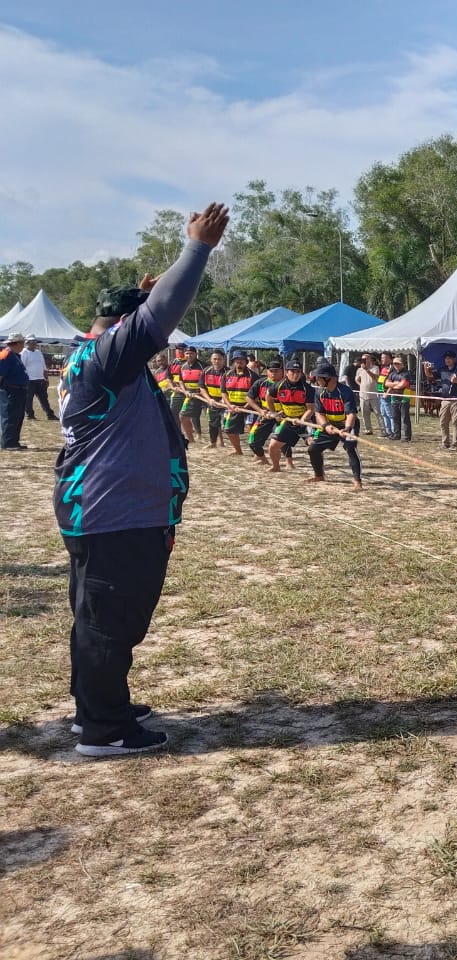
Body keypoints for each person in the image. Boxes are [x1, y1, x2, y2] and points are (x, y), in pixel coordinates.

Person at [55, 201, 228, 756]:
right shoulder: (107, 357)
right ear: (126, 328)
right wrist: (197, 248)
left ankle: (96, 708)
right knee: (110, 621)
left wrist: (138, 295)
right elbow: (159, 314)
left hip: (105, 509)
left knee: (97, 617)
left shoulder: (94, 355)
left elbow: (140, 318)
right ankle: (104, 730)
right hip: (116, 513)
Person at [306, 362, 362, 489]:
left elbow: (351, 414)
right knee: (313, 449)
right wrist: (326, 425)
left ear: (328, 378)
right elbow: (319, 413)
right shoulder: (319, 392)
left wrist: (347, 428)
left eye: (319, 377)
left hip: (348, 425)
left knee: (350, 449)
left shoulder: (345, 391)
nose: (317, 380)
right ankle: (319, 475)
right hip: (329, 425)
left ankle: (357, 481)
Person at [267, 360, 315, 472]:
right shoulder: (279, 386)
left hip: (305, 421)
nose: (295, 374)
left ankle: (319, 473)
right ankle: (275, 466)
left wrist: (302, 420)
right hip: (288, 420)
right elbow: (268, 396)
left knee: (314, 446)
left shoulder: (307, 388)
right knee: (273, 446)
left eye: (298, 372)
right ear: (286, 372)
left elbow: (311, 409)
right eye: (292, 371)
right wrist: (273, 412)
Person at [246, 358, 284, 464]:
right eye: (271, 371)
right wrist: (260, 411)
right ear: (267, 371)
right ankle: (262, 459)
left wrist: (280, 413)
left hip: (283, 416)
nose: (273, 373)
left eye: (276, 371)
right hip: (266, 414)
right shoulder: (260, 382)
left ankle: (288, 463)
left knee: (281, 439)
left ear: (282, 371)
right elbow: (248, 398)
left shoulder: (287, 384)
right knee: (252, 440)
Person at [220, 350, 255, 456]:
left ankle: (257, 453)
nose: (239, 362)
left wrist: (245, 407)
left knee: (251, 430)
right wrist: (229, 405)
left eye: (241, 360)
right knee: (229, 430)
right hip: (232, 408)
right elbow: (223, 392)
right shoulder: (227, 375)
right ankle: (238, 450)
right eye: (237, 360)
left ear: (246, 361)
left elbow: (256, 395)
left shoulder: (253, 376)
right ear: (233, 361)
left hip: (249, 408)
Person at [0, 332, 30, 449]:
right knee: (9, 416)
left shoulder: (16, 355)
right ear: (16, 343)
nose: (24, 345)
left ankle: (14, 441)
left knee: (17, 416)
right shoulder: (5, 354)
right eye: (22, 343)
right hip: (10, 390)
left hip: (19, 391)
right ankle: (8, 443)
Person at [436, 349, 457, 449]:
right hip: (445, 399)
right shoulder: (442, 370)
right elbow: (430, 377)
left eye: (449, 358)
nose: (447, 360)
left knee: (456, 422)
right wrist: (426, 369)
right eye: (446, 358)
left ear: (454, 359)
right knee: (443, 422)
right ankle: (445, 443)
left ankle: (455, 444)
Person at [198, 348, 227, 447]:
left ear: (223, 360)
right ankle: (213, 443)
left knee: (226, 424)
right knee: (213, 423)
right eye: (214, 359)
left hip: (226, 403)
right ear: (211, 360)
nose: (217, 361)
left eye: (219, 359)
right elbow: (201, 387)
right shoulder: (206, 371)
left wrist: (224, 400)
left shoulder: (228, 372)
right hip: (212, 401)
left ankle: (234, 446)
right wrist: (208, 399)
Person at [23, 338, 56, 420]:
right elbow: (22, 367)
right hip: (29, 380)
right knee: (28, 399)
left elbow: (44, 366)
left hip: (40, 380)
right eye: (32, 342)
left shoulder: (38, 352)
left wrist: (46, 378)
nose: (34, 343)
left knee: (44, 398)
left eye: (35, 342)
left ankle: (50, 415)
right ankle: (30, 415)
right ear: (27, 343)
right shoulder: (24, 353)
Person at [178, 345, 205, 441]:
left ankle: (217, 440)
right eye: (187, 353)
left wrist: (201, 393)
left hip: (203, 395)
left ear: (196, 354)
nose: (189, 355)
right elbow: (180, 381)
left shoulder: (203, 366)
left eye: (191, 353)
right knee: (185, 415)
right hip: (189, 395)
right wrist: (185, 391)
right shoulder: (182, 366)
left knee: (209, 417)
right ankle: (193, 437)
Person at [385, 356, 413, 442]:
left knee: (405, 418)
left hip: (404, 398)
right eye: (394, 363)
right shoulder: (392, 373)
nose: (395, 365)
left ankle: (407, 437)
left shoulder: (406, 373)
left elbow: (402, 385)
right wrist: (395, 384)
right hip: (394, 397)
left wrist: (393, 384)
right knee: (395, 417)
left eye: (397, 363)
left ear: (402, 364)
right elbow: (386, 384)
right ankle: (397, 435)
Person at [355, 354, 380, 435]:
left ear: (370, 359)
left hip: (373, 394)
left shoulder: (375, 368)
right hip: (363, 395)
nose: (364, 360)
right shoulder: (359, 369)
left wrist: (367, 370)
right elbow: (356, 379)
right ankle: (368, 429)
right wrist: (361, 385)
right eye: (363, 359)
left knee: (378, 412)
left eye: (366, 359)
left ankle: (383, 430)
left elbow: (376, 377)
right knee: (365, 413)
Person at [376, 351, 394, 437]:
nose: (382, 359)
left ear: (390, 359)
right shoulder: (383, 368)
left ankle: (393, 432)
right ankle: (388, 431)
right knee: (383, 413)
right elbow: (381, 380)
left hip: (387, 394)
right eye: (381, 357)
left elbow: (393, 382)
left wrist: (387, 392)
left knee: (390, 414)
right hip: (380, 394)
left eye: (384, 357)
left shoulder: (392, 368)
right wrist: (378, 391)